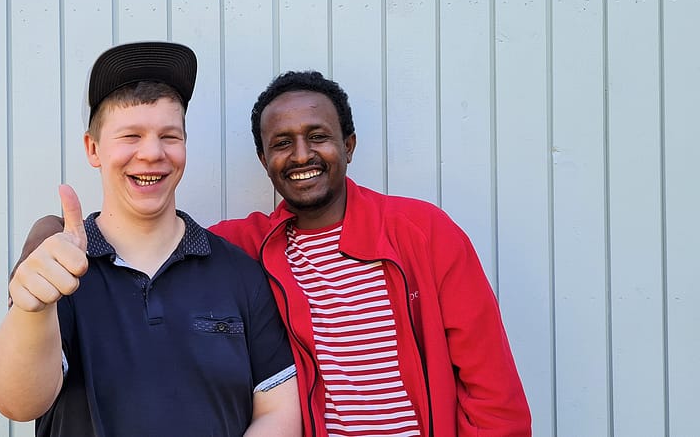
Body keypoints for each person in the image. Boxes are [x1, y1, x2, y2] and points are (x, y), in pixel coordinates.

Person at [0, 41, 300, 437]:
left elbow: (278, 411)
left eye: (169, 136)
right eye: (131, 135)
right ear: (93, 149)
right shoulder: (57, 270)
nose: (152, 153)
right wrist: (31, 311)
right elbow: (18, 403)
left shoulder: (239, 274)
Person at [208, 71, 532, 437]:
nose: (301, 155)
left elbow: (492, 392)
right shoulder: (246, 246)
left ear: (348, 145)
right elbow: (165, 241)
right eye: (282, 143)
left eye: (318, 137)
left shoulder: (424, 232)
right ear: (264, 159)